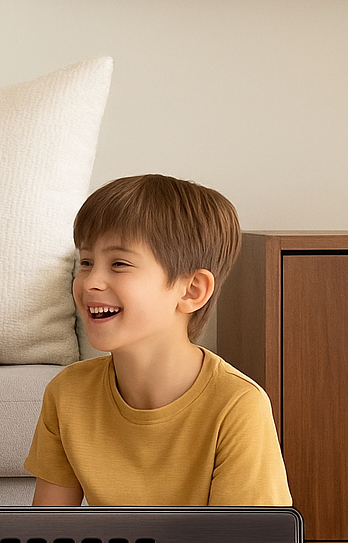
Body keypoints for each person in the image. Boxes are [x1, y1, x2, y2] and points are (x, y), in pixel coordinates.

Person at [25, 174, 292, 507]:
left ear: (191, 290)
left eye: (119, 264)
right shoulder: (67, 393)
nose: (91, 281)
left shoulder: (237, 406)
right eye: (87, 262)